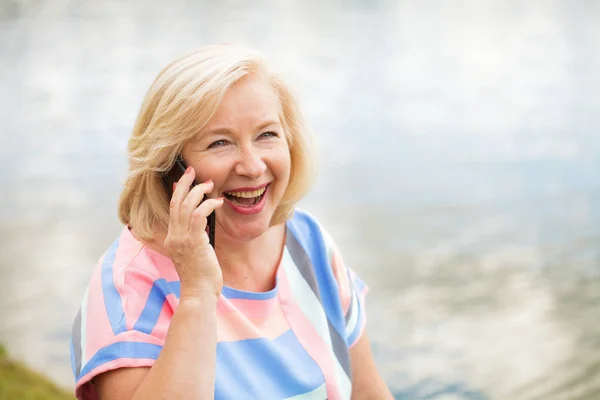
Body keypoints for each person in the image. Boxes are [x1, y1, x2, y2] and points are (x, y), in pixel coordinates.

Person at [69, 43, 393, 400]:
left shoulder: (309, 242)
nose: (253, 166)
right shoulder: (128, 288)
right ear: (169, 167)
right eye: (220, 143)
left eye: (267, 134)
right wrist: (196, 294)